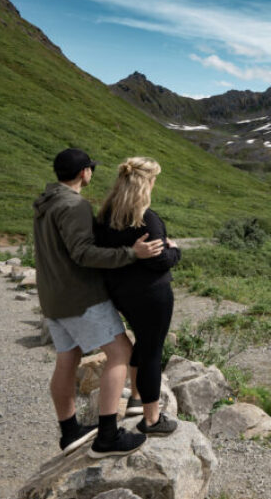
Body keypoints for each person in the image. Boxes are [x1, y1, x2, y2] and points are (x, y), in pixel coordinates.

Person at [33, 148, 162, 458]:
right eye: (90, 169)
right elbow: (83, 253)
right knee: (121, 353)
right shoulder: (74, 205)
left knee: (68, 358)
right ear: (83, 173)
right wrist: (133, 254)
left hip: (52, 298)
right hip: (79, 297)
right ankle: (108, 436)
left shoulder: (45, 203)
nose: (91, 173)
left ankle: (70, 431)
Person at [95, 157, 180, 436]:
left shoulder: (106, 216)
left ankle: (136, 400)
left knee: (141, 344)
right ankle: (152, 419)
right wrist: (175, 249)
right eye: (154, 180)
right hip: (152, 295)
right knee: (152, 352)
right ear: (146, 184)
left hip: (122, 294)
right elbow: (160, 260)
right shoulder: (146, 218)